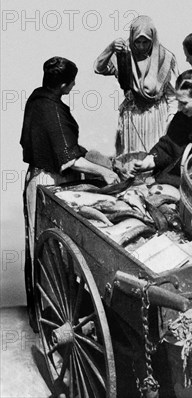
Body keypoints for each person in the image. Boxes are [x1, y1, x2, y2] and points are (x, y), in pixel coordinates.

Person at [20, 56, 120, 329]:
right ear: (64, 84)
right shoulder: (52, 111)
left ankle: (48, 314)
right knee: (50, 253)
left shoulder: (37, 99)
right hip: (48, 183)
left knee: (43, 250)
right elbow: (68, 158)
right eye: (73, 81)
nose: (75, 85)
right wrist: (105, 172)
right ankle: (53, 319)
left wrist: (96, 156)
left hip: (37, 177)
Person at [94, 15, 179, 166]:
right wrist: (110, 48)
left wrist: (171, 122)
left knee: (155, 158)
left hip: (157, 116)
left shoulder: (165, 58)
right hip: (132, 115)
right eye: (137, 42)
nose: (141, 46)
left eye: (145, 42)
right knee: (132, 161)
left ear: (152, 39)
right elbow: (99, 68)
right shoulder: (123, 56)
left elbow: (173, 95)